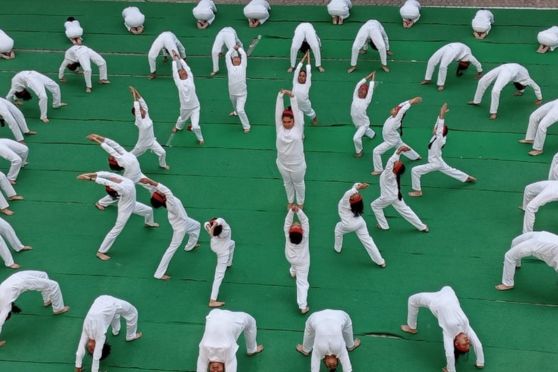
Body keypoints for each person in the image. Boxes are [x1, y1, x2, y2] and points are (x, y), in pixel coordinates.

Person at [77, 172, 158, 261]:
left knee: (149, 210)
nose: (112, 179)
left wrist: (89, 176)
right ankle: (100, 252)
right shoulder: (122, 187)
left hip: (133, 204)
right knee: (116, 229)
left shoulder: (120, 181)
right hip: (125, 209)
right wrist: (89, 177)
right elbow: (107, 181)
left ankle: (149, 223)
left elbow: (104, 176)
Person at [401, 286, 484, 372]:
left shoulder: (449, 334)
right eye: (468, 344)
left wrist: (450, 369)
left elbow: (450, 354)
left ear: (456, 343)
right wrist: (480, 362)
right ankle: (411, 327)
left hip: (435, 302)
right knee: (447, 287)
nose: (467, 341)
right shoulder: (466, 329)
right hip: (449, 293)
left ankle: (411, 327)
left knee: (412, 300)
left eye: (464, 345)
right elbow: (478, 344)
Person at [409, 103, 476, 197]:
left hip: (434, 163)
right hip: (439, 160)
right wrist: (440, 114)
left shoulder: (440, 139)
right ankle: (467, 178)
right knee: (451, 170)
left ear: (440, 132)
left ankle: (417, 191)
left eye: (436, 129)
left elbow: (439, 127)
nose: (434, 128)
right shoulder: (437, 135)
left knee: (414, 170)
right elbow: (438, 125)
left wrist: (442, 115)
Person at [139, 178, 201, 280]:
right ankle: (159, 274)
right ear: (162, 198)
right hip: (180, 226)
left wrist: (145, 183)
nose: (159, 191)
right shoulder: (170, 201)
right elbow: (165, 189)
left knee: (197, 225)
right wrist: (150, 181)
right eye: (159, 193)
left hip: (182, 220)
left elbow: (155, 189)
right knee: (172, 248)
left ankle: (190, 246)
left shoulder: (165, 200)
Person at [0, 270, 70, 346]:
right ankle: (58, 309)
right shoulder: (6, 305)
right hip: (17, 278)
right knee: (51, 282)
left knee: (47, 279)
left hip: (20, 279)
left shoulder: (5, 306)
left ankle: (50, 301)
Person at [75, 295, 142, 372]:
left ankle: (116, 330)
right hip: (113, 304)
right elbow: (97, 356)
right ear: (100, 345)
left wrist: (78, 368)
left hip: (100, 299)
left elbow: (80, 348)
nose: (90, 347)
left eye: (89, 350)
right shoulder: (100, 336)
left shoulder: (86, 332)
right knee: (133, 312)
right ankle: (130, 335)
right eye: (93, 349)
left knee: (114, 314)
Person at [371, 147, 428, 232]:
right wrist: (398, 152)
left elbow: (390, 162)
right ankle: (422, 227)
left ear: (394, 169)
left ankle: (384, 225)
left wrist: (398, 151)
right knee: (407, 211)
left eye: (396, 164)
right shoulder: (395, 173)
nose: (396, 162)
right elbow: (394, 162)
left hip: (387, 197)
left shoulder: (388, 174)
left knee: (374, 205)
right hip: (396, 195)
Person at [334, 183, 386, 267]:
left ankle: (337, 248)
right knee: (368, 241)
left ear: (349, 199)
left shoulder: (344, 202)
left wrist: (358, 186)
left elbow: (349, 192)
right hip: (360, 223)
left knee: (337, 230)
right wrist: (360, 187)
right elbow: (353, 191)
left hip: (347, 225)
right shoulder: (357, 204)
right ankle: (381, 261)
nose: (355, 194)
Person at [468, 63, 542, 120]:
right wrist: (539, 98)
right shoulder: (526, 79)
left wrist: (539, 98)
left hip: (510, 70)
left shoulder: (527, 81)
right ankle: (476, 101)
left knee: (495, 90)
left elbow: (535, 87)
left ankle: (493, 113)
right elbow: (535, 87)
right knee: (482, 81)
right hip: (505, 67)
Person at [197, 309, 264, 372]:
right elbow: (231, 368)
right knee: (252, 321)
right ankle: (252, 350)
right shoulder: (228, 355)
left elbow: (200, 368)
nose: (215, 371)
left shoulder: (204, 354)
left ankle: (252, 349)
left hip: (214, 314)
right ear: (225, 368)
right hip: (235, 319)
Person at [296, 309, 361, 372]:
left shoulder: (318, 353)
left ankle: (305, 350)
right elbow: (348, 369)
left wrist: (305, 349)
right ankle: (351, 346)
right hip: (340, 316)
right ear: (338, 358)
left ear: (324, 361)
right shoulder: (340, 351)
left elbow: (314, 368)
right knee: (347, 323)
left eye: (329, 366)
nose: (331, 365)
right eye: (334, 365)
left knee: (309, 330)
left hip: (315, 318)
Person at [372, 97, 421, 175]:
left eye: (394, 109)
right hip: (395, 137)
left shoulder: (396, 120)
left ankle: (378, 170)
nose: (393, 108)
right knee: (403, 146)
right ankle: (416, 156)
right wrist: (410, 100)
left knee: (376, 151)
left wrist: (411, 102)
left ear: (397, 113)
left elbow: (402, 110)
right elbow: (400, 106)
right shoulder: (393, 116)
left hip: (390, 141)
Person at [275, 89, 306, 209]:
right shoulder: (279, 128)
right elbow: (278, 112)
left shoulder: (297, 129)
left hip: (297, 165)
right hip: (282, 163)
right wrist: (280, 96)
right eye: (284, 122)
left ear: (294, 120)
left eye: (289, 121)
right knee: (287, 183)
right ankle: (290, 200)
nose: (286, 123)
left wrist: (292, 97)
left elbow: (297, 114)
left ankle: (300, 202)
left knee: (298, 184)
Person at [129, 87, 168, 169]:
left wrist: (136, 91)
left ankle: (162, 164)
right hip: (142, 145)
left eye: (142, 109)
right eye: (140, 110)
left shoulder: (146, 114)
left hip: (152, 141)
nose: (142, 109)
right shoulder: (139, 121)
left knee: (163, 152)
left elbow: (142, 102)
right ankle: (119, 164)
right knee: (130, 156)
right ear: (137, 114)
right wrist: (133, 95)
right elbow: (137, 108)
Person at [171, 51, 204, 144]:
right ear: (179, 74)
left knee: (196, 126)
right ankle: (178, 127)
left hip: (195, 107)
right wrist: (174, 61)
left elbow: (188, 69)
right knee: (182, 118)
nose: (183, 71)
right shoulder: (178, 82)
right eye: (180, 71)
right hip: (185, 108)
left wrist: (180, 59)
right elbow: (174, 73)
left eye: (183, 70)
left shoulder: (190, 78)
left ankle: (200, 139)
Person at [284, 206, 310, 314]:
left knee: (294, 265)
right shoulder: (305, 235)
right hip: (303, 260)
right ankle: (303, 306)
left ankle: (293, 272)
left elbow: (287, 222)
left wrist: (291, 211)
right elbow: (305, 220)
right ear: (302, 232)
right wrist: (298, 211)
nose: (296, 223)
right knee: (302, 282)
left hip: (290, 257)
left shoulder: (287, 234)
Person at [204, 218, 235, 308]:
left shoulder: (210, 229)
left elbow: (206, 223)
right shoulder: (226, 229)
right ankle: (212, 300)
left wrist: (210, 228)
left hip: (215, 246)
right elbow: (220, 220)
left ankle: (229, 263)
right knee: (219, 275)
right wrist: (214, 225)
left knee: (232, 243)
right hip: (223, 252)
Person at [225, 45, 250, 133]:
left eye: (238, 58)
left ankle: (246, 126)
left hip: (242, 94)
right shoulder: (230, 67)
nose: (236, 59)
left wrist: (238, 48)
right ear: (232, 61)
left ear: (240, 60)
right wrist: (232, 49)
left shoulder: (243, 66)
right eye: (234, 58)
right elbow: (227, 55)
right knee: (235, 107)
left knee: (240, 110)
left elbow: (243, 55)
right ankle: (235, 112)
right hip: (232, 93)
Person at [351, 71, 376, 157]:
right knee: (365, 131)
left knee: (356, 138)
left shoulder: (366, 101)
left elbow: (371, 90)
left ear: (366, 93)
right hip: (356, 122)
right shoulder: (355, 96)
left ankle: (359, 151)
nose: (361, 91)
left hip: (363, 123)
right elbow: (358, 84)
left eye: (364, 90)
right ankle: (372, 134)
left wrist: (372, 79)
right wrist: (368, 76)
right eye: (360, 90)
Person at [292, 52, 317, 125]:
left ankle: (315, 120)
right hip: (295, 103)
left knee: (311, 113)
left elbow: (308, 70)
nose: (301, 77)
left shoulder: (307, 84)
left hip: (305, 104)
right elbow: (297, 69)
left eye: (303, 76)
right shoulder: (295, 82)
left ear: (306, 78)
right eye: (300, 75)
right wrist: (304, 57)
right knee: (296, 117)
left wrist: (308, 57)